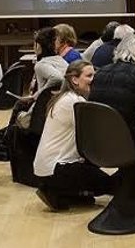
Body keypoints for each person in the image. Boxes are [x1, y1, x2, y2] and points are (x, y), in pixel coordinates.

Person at [34, 60, 114, 211]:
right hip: (58, 169)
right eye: (89, 75)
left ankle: (66, 194)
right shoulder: (75, 102)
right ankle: (58, 190)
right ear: (75, 79)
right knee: (111, 185)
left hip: (45, 168)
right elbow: (96, 134)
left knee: (92, 188)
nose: (93, 79)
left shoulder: (63, 98)